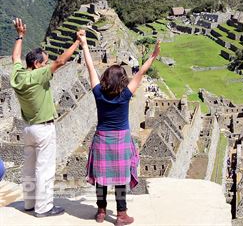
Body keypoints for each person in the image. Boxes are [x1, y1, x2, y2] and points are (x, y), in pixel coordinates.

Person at [78, 30, 160, 225]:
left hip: (102, 139)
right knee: (121, 178)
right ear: (123, 80)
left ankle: (100, 211)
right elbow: (141, 72)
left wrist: (84, 44)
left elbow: (90, 66)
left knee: (102, 178)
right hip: (121, 139)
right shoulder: (125, 95)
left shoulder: (98, 92)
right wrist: (154, 56)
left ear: (105, 78)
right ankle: (121, 215)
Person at [10, 17, 81, 217]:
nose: (47, 65)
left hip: (28, 128)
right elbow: (61, 61)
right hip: (43, 129)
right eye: (45, 62)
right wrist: (77, 41)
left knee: (29, 168)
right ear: (37, 63)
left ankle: (30, 203)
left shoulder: (18, 75)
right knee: (44, 169)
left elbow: (15, 58)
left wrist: (20, 36)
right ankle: (44, 208)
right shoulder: (38, 75)